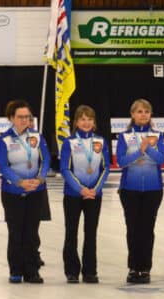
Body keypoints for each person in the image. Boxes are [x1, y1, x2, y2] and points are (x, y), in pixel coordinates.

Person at [0, 99, 50, 284]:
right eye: (21, 117)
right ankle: (16, 270)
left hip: (36, 190)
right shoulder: (4, 140)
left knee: (32, 232)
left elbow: (46, 161)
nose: (25, 120)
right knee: (16, 231)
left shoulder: (38, 137)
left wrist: (39, 178)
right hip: (12, 192)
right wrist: (19, 182)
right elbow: (2, 166)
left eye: (28, 117)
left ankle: (32, 270)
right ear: (11, 118)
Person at [117, 98, 164, 284]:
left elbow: (162, 159)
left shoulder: (158, 136)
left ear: (150, 114)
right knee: (132, 229)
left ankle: (145, 268)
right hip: (129, 190)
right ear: (132, 114)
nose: (143, 114)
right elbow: (121, 161)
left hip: (153, 190)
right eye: (139, 111)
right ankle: (132, 267)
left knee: (147, 229)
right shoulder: (124, 136)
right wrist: (140, 151)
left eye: (146, 111)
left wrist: (148, 150)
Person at [60, 105, 111, 284]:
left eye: (89, 119)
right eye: (82, 119)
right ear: (76, 122)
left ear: (94, 122)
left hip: (94, 196)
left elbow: (106, 167)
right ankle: (71, 271)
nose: (86, 122)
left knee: (91, 233)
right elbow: (65, 169)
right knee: (71, 232)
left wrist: (95, 189)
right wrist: (80, 188)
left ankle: (90, 271)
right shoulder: (69, 142)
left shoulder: (101, 141)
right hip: (73, 194)